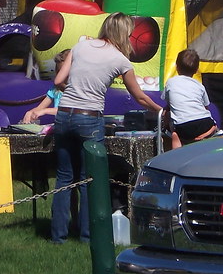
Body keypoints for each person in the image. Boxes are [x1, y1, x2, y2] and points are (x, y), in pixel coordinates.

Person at [50, 13, 161, 244]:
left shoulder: (80, 46)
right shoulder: (120, 60)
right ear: (125, 34)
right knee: (90, 178)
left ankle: (58, 237)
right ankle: (87, 237)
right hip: (89, 119)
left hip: (64, 114)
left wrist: (77, 89)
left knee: (64, 178)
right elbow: (139, 97)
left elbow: (58, 81)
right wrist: (160, 110)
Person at [162, 49, 217, 150]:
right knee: (214, 126)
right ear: (196, 70)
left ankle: (176, 147)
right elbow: (206, 107)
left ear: (177, 67)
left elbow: (169, 102)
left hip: (183, 127)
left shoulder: (170, 82)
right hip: (204, 123)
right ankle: (206, 135)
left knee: (171, 123)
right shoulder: (199, 86)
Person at [22, 50, 69, 124]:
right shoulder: (55, 89)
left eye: (67, 74)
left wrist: (45, 111)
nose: (63, 77)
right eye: (59, 72)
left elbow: (70, 111)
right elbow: (40, 108)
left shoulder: (78, 90)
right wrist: (31, 112)